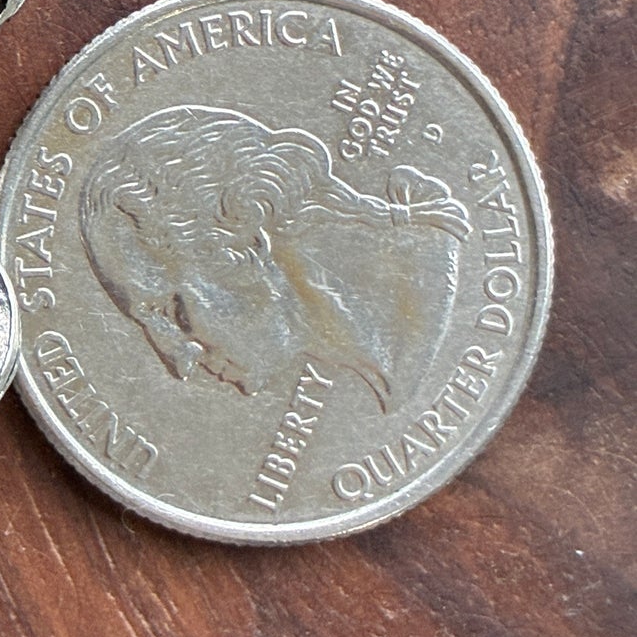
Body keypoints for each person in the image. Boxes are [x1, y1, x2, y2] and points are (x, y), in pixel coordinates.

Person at [79, 105, 471, 409]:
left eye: (171, 311)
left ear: (244, 246)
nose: (179, 358)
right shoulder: (400, 364)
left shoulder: (430, 306)